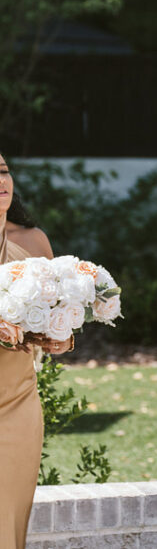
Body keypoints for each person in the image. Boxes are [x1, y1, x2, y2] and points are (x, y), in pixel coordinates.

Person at [0, 152, 68, 549]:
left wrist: (61, 339)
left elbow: (55, 318)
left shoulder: (34, 240)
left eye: (5, 171)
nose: (1, 180)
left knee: (10, 517)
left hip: (19, 401)